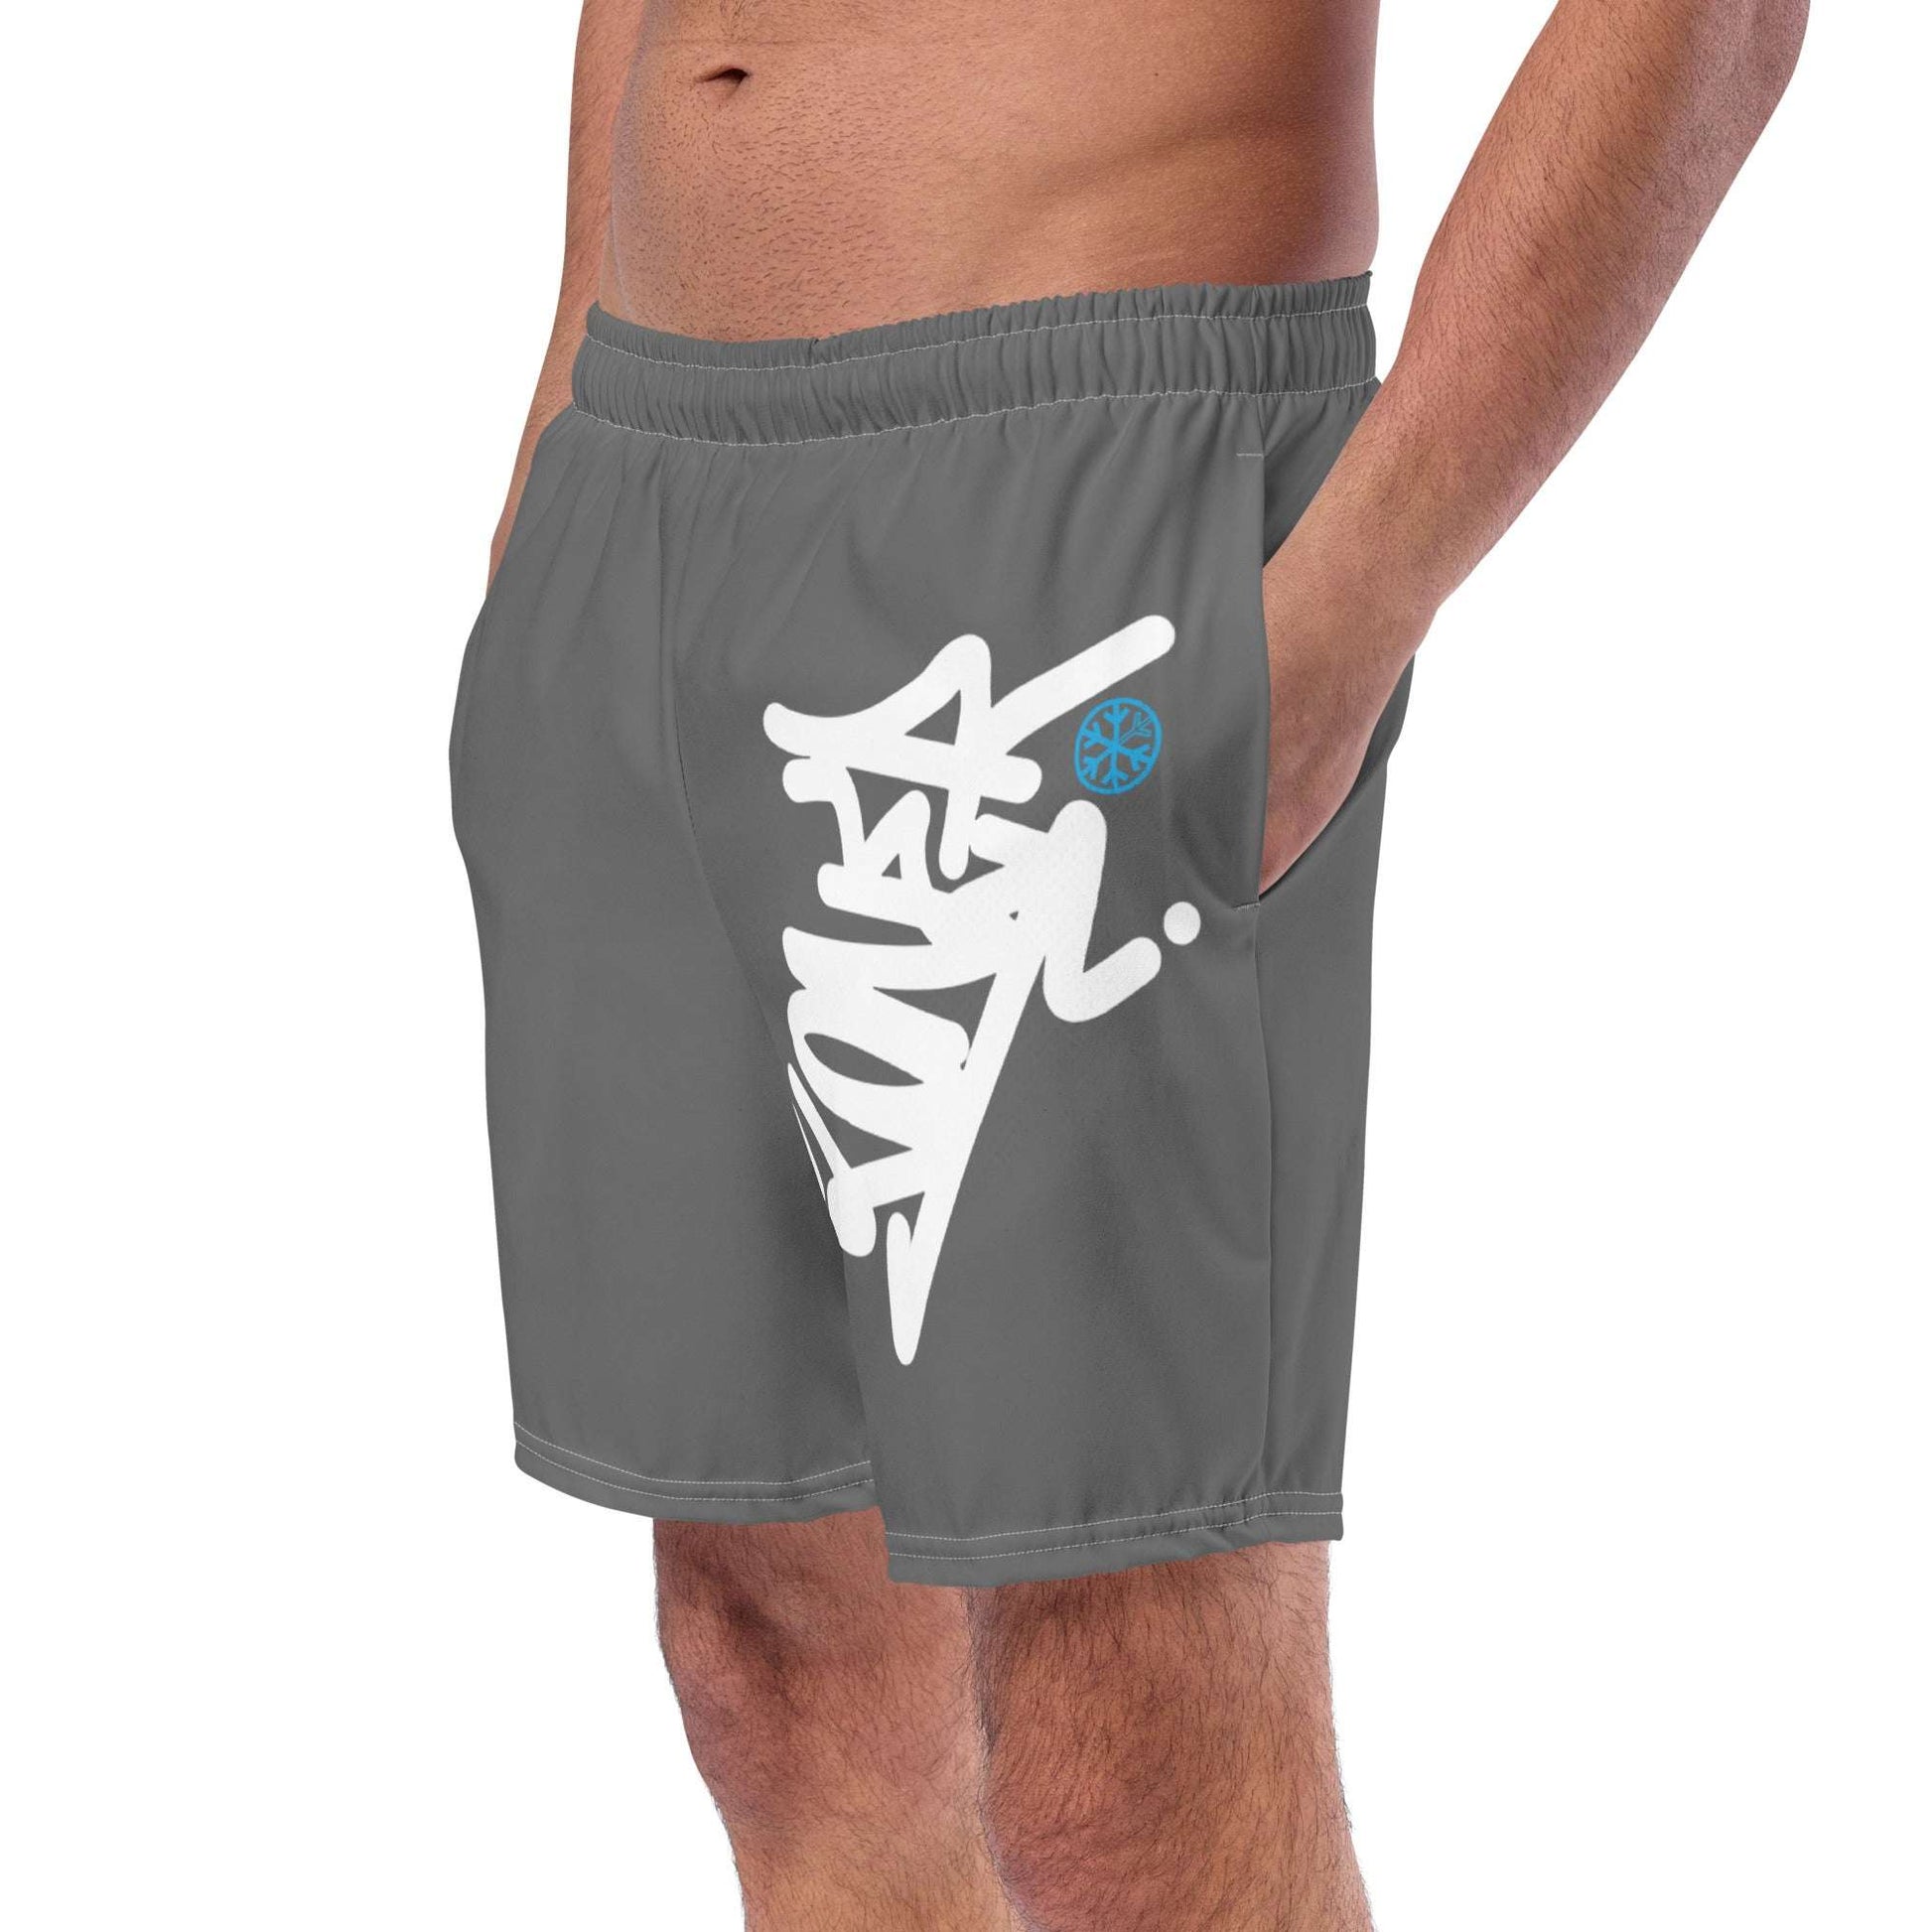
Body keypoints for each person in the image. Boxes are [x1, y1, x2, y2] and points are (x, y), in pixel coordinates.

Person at [450, 2, 1804, 1923]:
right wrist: (559, 428)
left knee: (1123, 1738)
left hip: (1078, 492)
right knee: (770, 1661)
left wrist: (1337, 621)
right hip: (641, 488)